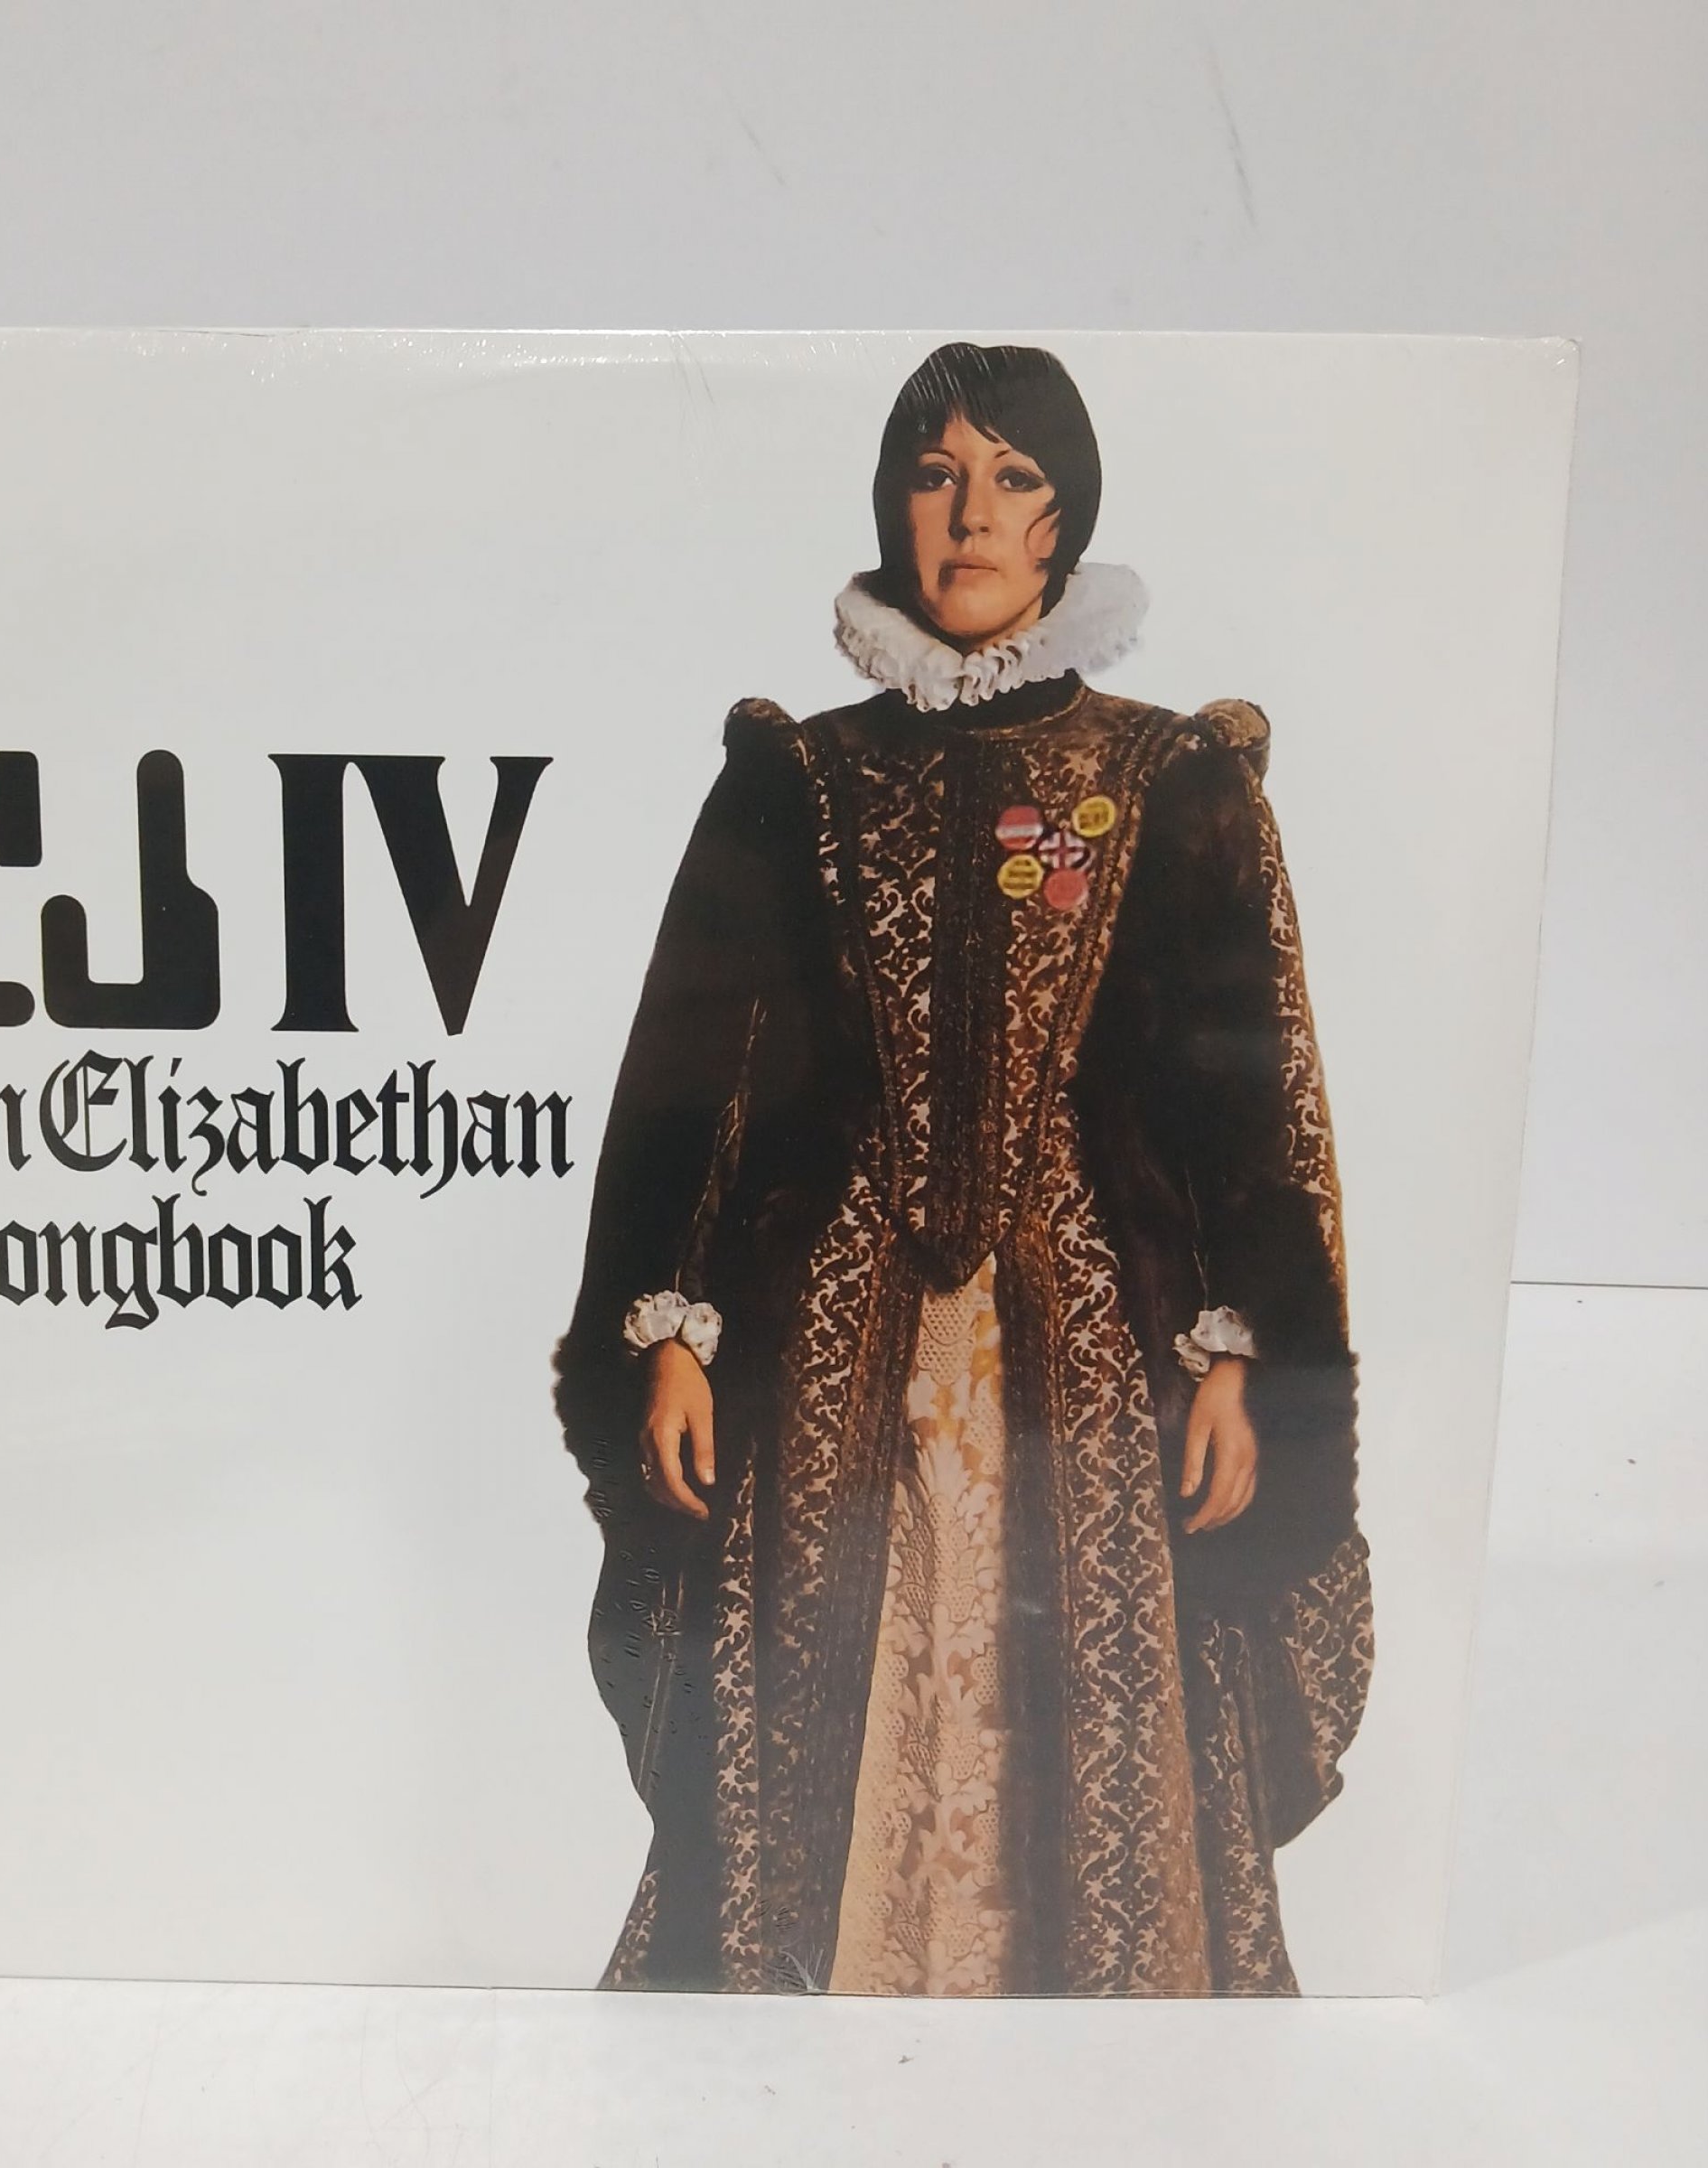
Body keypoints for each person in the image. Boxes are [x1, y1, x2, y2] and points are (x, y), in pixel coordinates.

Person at [554, 342, 1373, 1997]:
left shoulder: (1172, 778)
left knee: (1100, 1740)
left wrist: (1250, 1357)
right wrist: (665, 1331)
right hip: (826, 1369)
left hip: (1101, 1366)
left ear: (1067, 518)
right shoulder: (796, 779)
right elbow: (685, 1086)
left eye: (1013, 478)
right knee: (797, 1745)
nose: (973, 514)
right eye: (937, 475)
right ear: (893, 504)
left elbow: (1250, 1102)